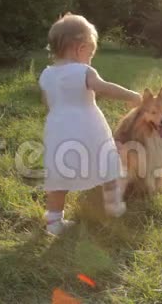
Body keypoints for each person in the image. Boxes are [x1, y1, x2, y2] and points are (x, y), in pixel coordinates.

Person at [39, 13, 141, 235]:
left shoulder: (46, 75)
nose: (90, 59)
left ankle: (54, 222)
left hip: (57, 129)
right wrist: (133, 96)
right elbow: (104, 87)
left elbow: (48, 103)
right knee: (107, 165)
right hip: (88, 129)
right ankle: (113, 206)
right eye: (91, 54)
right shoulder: (83, 71)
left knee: (58, 177)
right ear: (80, 49)